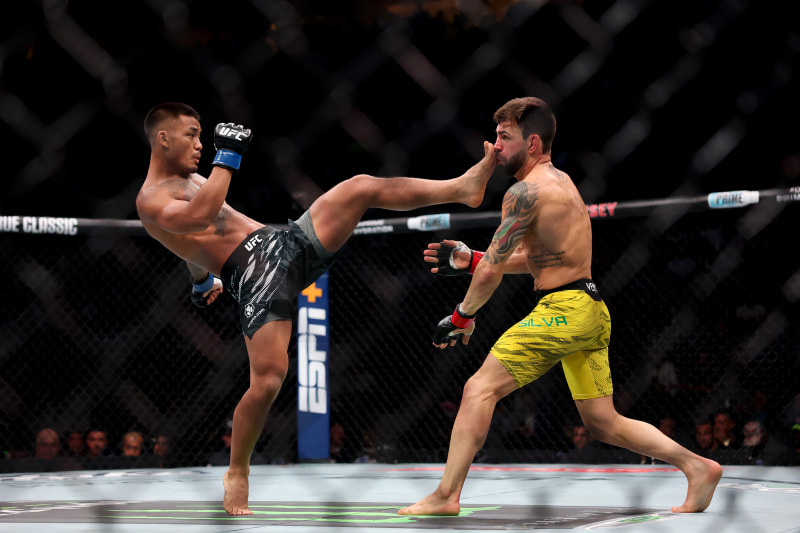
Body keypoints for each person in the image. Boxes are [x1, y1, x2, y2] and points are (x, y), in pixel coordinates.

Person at [135, 102, 496, 514]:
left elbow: (189, 241)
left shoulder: (192, 180)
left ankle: (461, 188)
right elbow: (196, 221)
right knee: (268, 381)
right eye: (191, 135)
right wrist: (228, 156)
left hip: (282, 243)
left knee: (360, 186)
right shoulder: (150, 199)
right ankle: (237, 471)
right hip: (255, 275)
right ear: (163, 138)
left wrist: (200, 280)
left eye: (201, 136)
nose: (200, 144)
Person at [398, 97, 722, 516]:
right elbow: (537, 259)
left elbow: (494, 270)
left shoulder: (523, 192)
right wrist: (472, 259)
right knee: (603, 422)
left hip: (562, 311)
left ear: (532, 142)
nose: (495, 147)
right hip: (590, 309)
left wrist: (463, 316)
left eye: (504, 137)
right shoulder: (563, 183)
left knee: (479, 389)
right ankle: (697, 467)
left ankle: (446, 495)